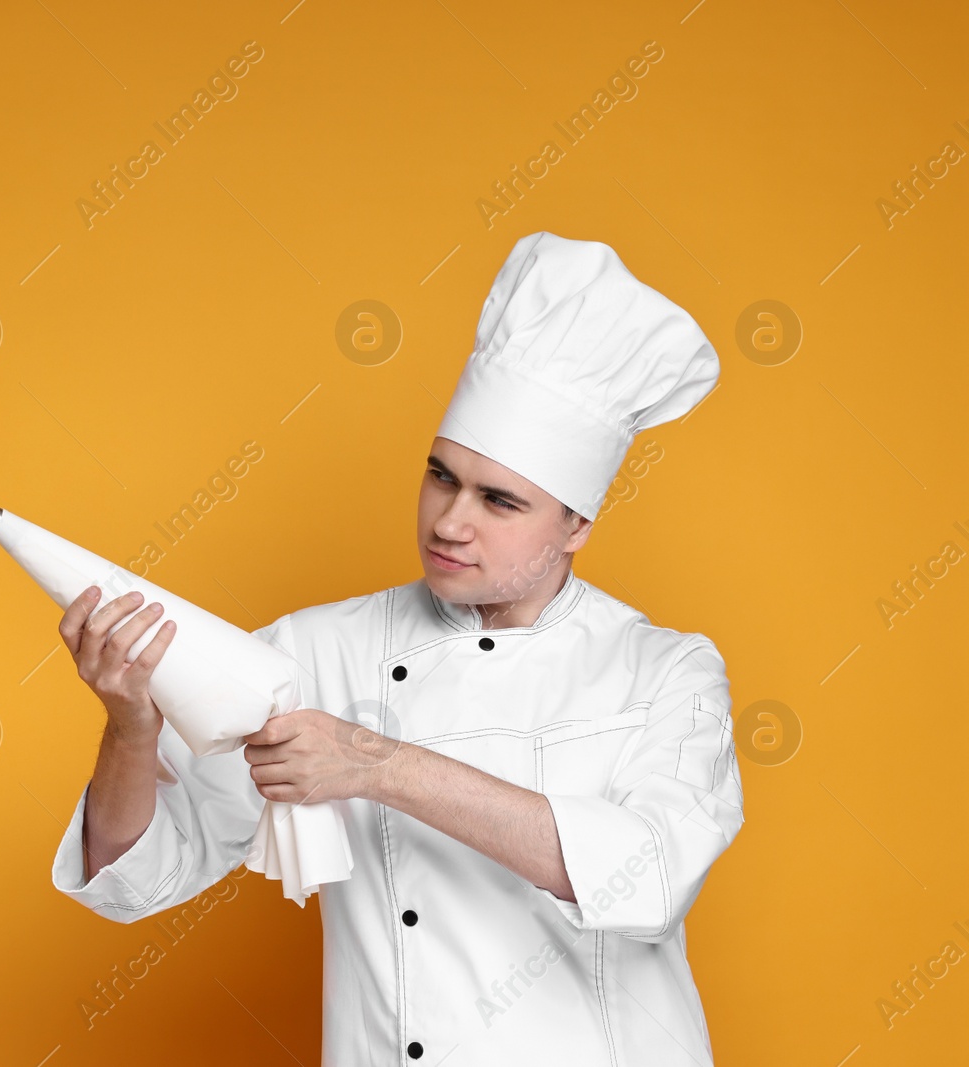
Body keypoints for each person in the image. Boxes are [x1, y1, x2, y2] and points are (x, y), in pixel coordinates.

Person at [50, 231, 746, 1065]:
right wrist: (128, 725)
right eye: (441, 475)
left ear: (578, 523)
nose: (451, 521)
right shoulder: (315, 650)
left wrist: (376, 763)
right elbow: (140, 876)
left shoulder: (665, 670)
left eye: (500, 500)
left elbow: (651, 876)